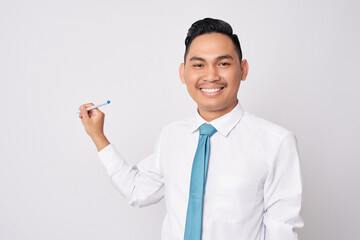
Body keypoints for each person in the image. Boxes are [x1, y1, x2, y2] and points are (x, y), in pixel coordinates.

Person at [79, 18, 304, 240]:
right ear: (183, 73)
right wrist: (98, 136)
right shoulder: (172, 135)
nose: (211, 75)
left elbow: (282, 231)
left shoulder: (276, 143)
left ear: (243, 70)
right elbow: (138, 191)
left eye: (223, 63)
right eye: (198, 65)